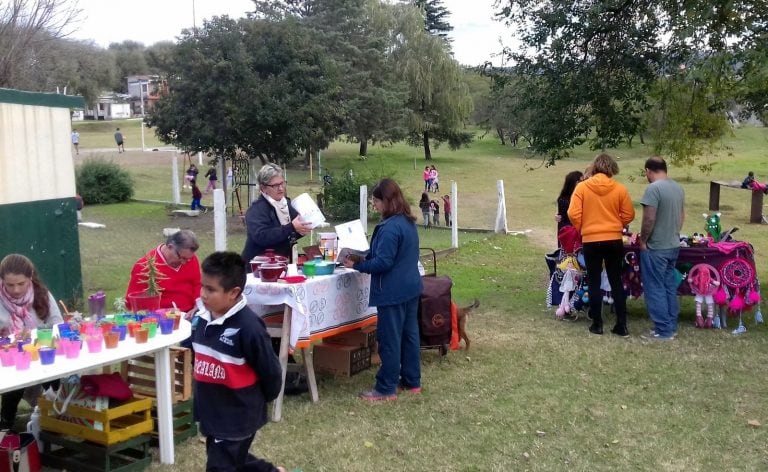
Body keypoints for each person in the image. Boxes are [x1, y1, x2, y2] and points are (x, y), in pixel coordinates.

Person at [192, 252, 285, 472]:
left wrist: (256, 402)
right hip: (211, 411)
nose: (203, 294)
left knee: (221, 465)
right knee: (234, 459)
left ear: (233, 293)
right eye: (202, 286)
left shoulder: (249, 328)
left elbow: (271, 373)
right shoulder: (203, 318)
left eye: (211, 289)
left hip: (237, 415)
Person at [342, 179, 422, 401]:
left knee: (390, 339)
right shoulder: (408, 222)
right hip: (410, 288)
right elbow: (392, 256)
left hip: (392, 291)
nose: (374, 205)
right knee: (409, 336)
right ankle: (412, 381)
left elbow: (384, 263)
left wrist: (358, 265)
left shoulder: (389, 228)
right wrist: (364, 257)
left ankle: (386, 387)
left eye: (376, 201)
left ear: (386, 201)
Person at [568, 153, 635, 337]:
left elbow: (573, 213)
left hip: (591, 239)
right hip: (613, 239)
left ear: (595, 167)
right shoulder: (619, 189)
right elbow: (629, 214)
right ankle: (621, 325)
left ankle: (597, 324)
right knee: (615, 281)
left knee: (594, 281)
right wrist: (616, 223)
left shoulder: (582, 188)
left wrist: (584, 227)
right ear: (612, 169)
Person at [0, 254, 63, 429]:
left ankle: (53, 415)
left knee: (58, 371)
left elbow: (58, 326)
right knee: (16, 376)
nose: (16, 290)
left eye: (21, 284)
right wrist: (10, 340)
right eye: (9, 285)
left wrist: (37, 336)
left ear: (30, 277)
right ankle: (6, 425)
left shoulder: (41, 293)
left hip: (41, 352)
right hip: (9, 357)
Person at [638, 156, 685, 340]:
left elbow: (649, 218)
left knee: (655, 287)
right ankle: (670, 326)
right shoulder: (677, 188)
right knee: (668, 286)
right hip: (673, 244)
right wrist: (673, 232)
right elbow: (681, 216)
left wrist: (643, 240)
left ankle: (663, 330)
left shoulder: (653, 189)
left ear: (649, 171)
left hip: (656, 247)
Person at [242, 163, 312, 262]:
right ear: (263, 188)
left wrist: (303, 228)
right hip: (257, 268)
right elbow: (262, 237)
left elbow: (286, 236)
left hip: (281, 263)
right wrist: (292, 227)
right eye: (275, 185)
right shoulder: (256, 210)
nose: (281, 188)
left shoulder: (287, 204)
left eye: (282, 183)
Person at [125, 229, 201, 315]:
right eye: (182, 258)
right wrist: (162, 312)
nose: (184, 262)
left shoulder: (191, 259)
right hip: (162, 319)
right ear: (170, 247)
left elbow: (198, 284)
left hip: (191, 314)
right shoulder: (144, 266)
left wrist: (198, 306)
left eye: (188, 259)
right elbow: (131, 302)